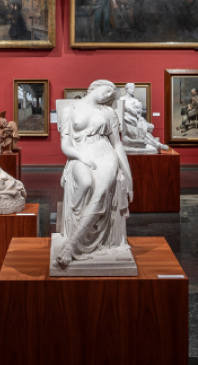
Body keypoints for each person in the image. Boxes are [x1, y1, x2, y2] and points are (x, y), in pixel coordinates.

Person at [55, 80, 133, 267]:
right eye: (107, 91)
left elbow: (117, 144)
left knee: (101, 190)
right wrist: (80, 156)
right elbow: (65, 145)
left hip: (105, 154)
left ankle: (70, 245)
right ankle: (77, 225)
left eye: (111, 95)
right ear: (94, 87)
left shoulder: (108, 113)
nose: (108, 95)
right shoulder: (70, 110)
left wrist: (129, 178)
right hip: (80, 153)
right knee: (87, 182)